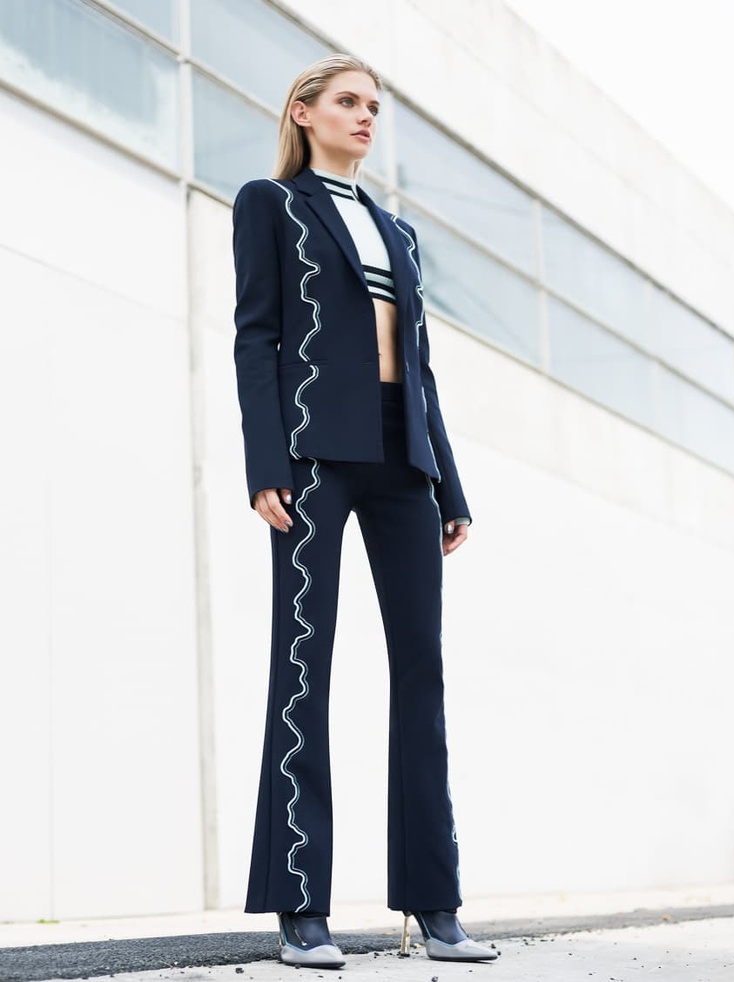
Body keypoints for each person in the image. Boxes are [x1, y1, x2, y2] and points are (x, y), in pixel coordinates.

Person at [232, 53, 499, 969]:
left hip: (403, 462)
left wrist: (448, 485)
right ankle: (300, 906)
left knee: (422, 676)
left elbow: (419, 368)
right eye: (347, 102)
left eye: (374, 106)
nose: (365, 117)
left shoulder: (401, 234)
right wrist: (265, 463)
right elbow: (256, 336)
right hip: (314, 457)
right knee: (302, 669)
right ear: (303, 112)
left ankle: (436, 904)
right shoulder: (271, 205)